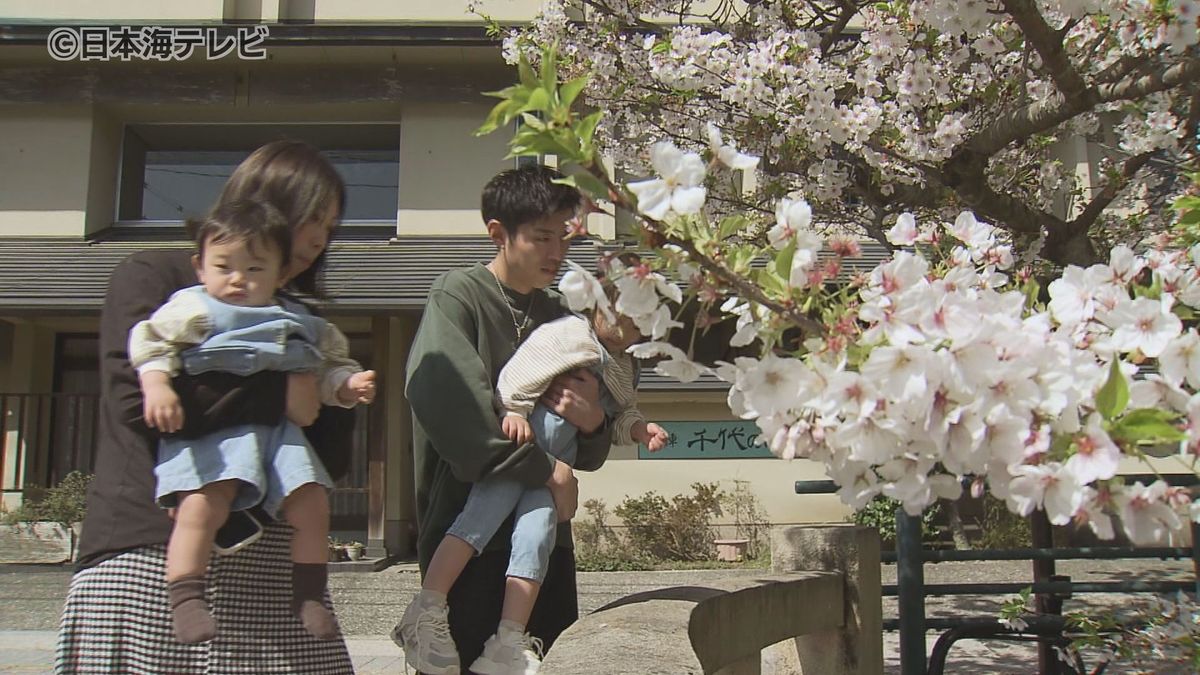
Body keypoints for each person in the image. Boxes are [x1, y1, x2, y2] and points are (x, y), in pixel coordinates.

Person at [57, 140, 358, 674]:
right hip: (150, 551)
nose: (318, 239)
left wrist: (335, 391)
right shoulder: (159, 275)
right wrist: (280, 393)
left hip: (273, 563)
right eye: (313, 217)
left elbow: (330, 454)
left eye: (330, 228)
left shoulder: (299, 320)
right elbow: (134, 402)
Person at [397, 165, 615, 674]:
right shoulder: (459, 296)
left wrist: (594, 422)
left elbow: (592, 447)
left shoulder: (565, 317)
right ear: (498, 233)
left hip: (544, 542)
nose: (557, 253)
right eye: (541, 237)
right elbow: (457, 415)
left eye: (563, 237)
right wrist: (551, 470)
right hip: (466, 534)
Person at [128, 200, 376, 644]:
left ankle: (310, 593)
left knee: (313, 503)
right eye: (224, 266)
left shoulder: (298, 322)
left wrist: (345, 386)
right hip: (216, 436)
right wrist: (157, 387)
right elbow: (150, 343)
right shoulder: (194, 308)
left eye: (255, 270)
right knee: (203, 505)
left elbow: (325, 369)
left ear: (280, 276)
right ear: (200, 267)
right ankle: (186, 597)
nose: (238, 280)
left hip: (277, 436)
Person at [398, 272, 667, 674]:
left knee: (537, 538)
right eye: (625, 316)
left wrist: (631, 428)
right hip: (518, 459)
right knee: (477, 524)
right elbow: (523, 370)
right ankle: (427, 606)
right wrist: (515, 411)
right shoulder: (569, 331)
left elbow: (619, 415)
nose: (630, 330)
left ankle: (508, 638)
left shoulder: (623, 365)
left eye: (641, 323)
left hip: (548, 472)